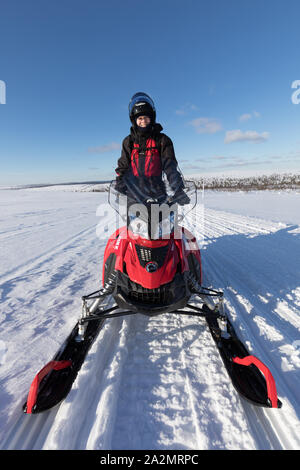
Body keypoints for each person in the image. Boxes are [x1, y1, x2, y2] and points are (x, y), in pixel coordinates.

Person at [115, 92, 190, 205]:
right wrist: (120, 186)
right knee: (134, 222)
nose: (143, 121)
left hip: (158, 193)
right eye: (140, 118)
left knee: (164, 221)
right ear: (134, 120)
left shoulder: (162, 140)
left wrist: (177, 189)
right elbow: (123, 167)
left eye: (146, 118)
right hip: (134, 195)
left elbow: (170, 167)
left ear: (152, 118)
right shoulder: (129, 142)